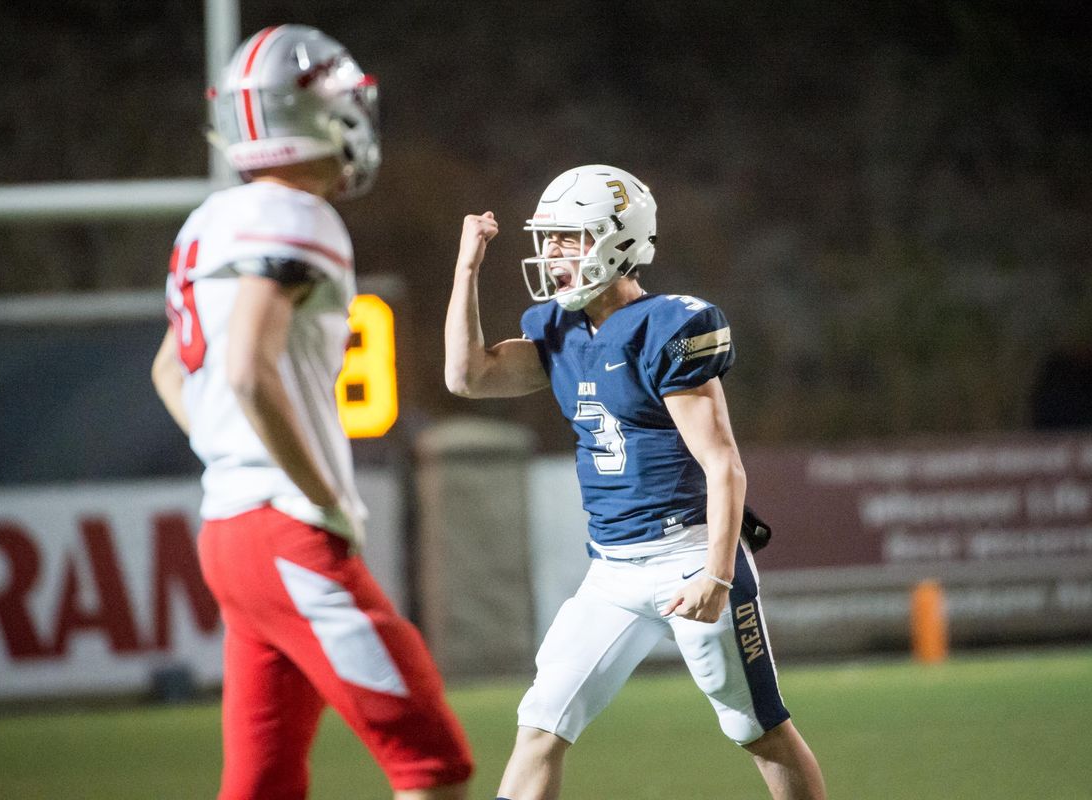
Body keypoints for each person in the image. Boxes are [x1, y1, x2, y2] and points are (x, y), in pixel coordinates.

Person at [151, 25, 472, 800]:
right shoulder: (300, 217)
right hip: (286, 531)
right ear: (321, 114)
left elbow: (171, 369)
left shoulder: (206, 223)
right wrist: (317, 491)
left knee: (262, 783)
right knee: (432, 761)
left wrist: (233, 455)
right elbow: (248, 368)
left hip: (228, 531)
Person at [444, 165, 826, 800]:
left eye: (569, 238)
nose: (551, 254)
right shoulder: (559, 330)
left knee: (758, 730)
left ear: (617, 240)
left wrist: (718, 573)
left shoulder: (667, 326)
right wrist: (466, 269)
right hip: (613, 572)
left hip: (688, 556)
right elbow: (468, 377)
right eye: (549, 238)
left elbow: (723, 463)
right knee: (540, 725)